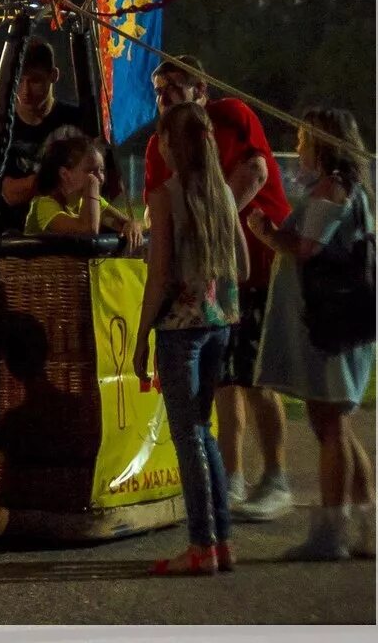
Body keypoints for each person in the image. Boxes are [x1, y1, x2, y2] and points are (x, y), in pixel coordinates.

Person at [144, 55, 293, 520]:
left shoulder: (230, 117)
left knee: (255, 376)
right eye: (158, 88)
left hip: (259, 263)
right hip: (212, 278)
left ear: (201, 90)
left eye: (174, 86)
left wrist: (211, 223)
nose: (164, 96)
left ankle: (277, 476)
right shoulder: (158, 146)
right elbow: (157, 210)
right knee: (225, 379)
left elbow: (256, 172)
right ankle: (230, 475)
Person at [249, 107, 376, 560]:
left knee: (332, 423)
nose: (298, 146)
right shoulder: (343, 187)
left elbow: (307, 249)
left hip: (333, 326)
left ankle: (331, 533)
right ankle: (368, 526)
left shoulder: (333, 188)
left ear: (322, 142)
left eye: (303, 139)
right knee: (332, 423)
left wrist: (266, 234)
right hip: (334, 325)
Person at [132, 101, 247, 575]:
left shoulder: (166, 196)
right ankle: (221, 540)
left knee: (187, 437)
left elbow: (159, 274)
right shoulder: (221, 191)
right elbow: (240, 257)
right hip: (220, 322)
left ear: (169, 145)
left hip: (180, 328)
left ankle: (200, 544)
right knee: (206, 433)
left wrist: (141, 337)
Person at [0, 39, 85, 232]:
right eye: (19, 80)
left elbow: (94, 183)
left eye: (34, 80)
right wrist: (59, 178)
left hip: (65, 232)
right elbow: (8, 192)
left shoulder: (76, 120)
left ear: (53, 75)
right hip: (12, 234)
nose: (25, 91)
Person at [25, 133, 146, 252]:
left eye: (101, 170)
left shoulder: (88, 200)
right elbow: (87, 231)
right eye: (91, 171)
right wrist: (92, 183)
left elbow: (125, 222)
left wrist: (132, 226)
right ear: (65, 174)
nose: (100, 178)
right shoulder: (44, 205)